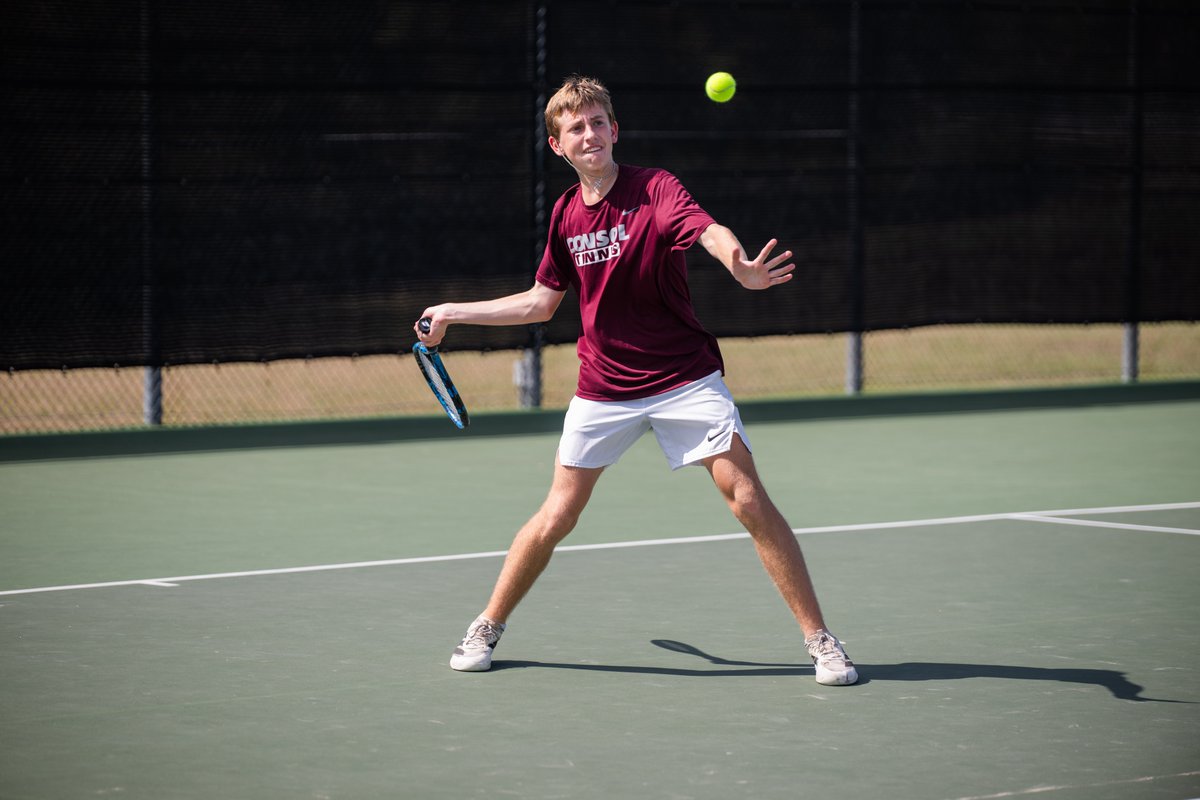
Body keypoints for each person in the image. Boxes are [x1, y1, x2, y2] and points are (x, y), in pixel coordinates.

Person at [415, 75, 857, 686]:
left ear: (615, 130)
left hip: (684, 376)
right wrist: (452, 312)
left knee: (748, 498)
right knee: (557, 516)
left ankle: (821, 641)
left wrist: (739, 267)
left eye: (598, 122)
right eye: (576, 127)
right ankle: (487, 625)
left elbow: (708, 230)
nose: (590, 133)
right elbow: (542, 303)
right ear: (558, 146)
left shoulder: (656, 188)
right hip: (604, 387)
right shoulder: (566, 216)